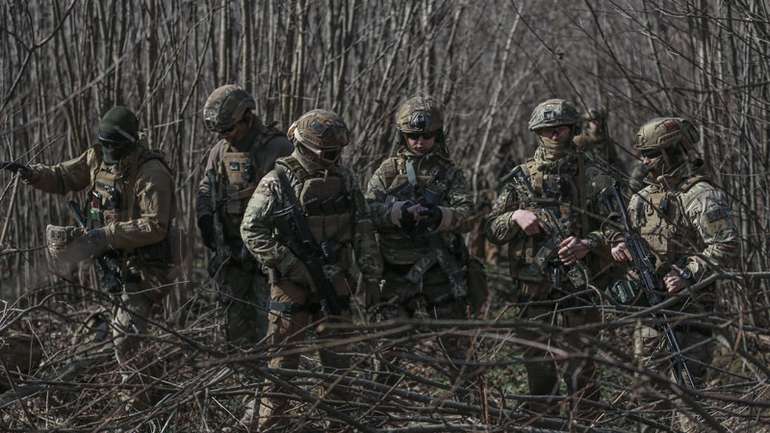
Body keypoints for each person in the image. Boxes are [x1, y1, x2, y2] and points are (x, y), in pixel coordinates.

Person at [10, 106, 177, 409]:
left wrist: (105, 235)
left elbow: (156, 225)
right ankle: (157, 389)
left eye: (114, 144)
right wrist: (33, 174)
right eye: (105, 143)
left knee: (125, 337)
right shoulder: (96, 158)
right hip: (114, 261)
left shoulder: (151, 172)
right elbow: (64, 177)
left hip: (145, 268)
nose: (109, 149)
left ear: (128, 142)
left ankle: (135, 408)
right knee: (124, 333)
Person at [240, 109, 382, 431]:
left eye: (338, 152)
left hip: (336, 284)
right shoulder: (277, 181)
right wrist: (292, 263)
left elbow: (362, 228)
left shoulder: (345, 180)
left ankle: (338, 424)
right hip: (291, 286)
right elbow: (251, 231)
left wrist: (372, 276)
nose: (335, 158)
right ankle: (271, 426)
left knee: (338, 366)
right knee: (281, 366)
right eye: (330, 152)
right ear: (306, 147)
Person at [484, 99, 617, 417]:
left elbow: (620, 229)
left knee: (582, 368)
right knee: (538, 367)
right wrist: (515, 216)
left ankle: (585, 422)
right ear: (537, 133)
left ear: (572, 130)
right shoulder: (520, 178)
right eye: (547, 130)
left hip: (581, 285)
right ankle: (544, 420)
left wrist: (588, 243)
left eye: (560, 129)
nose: (554, 136)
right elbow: (490, 228)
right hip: (533, 288)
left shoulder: (593, 175)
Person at [609, 117, 737, 432]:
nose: (644, 161)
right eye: (643, 154)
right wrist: (619, 246)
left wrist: (688, 273)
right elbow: (628, 235)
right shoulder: (642, 197)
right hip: (650, 312)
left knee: (688, 402)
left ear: (672, 152)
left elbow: (726, 246)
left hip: (690, 314)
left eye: (651, 154)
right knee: (647, 398)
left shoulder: (700, 195)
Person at [365, 95, 486, 401]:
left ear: (438, 135)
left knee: (457, 348)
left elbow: (469, 216)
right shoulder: (386, 171)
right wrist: (396, 214)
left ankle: (471, 408)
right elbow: (366, 213)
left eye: (426, 136)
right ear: (402, 136)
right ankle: (377, 409)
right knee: (388, 347)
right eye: (413, 136)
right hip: (396, 272)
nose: (419, 142)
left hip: (441, 273)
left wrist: (440, 216)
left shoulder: (451, 173)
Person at [196, 84, 292, 348]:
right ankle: (244, 385)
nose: (225, 136)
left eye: (229, 129)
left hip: (268, 260)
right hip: (232, 257)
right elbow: (207, 187)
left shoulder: (279, 148)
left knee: (271, 333)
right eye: (219, 132)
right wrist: (205, 219)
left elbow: (294, 205)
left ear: (248, 117)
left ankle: (270, 387)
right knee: (235, 333)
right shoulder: (220, 151)